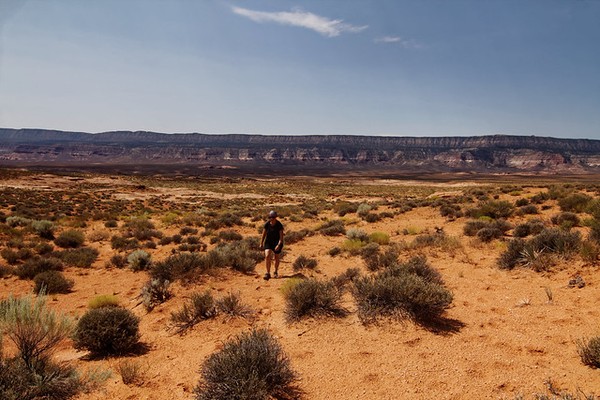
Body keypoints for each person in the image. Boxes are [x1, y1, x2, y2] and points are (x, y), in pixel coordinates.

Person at [260, 210, 284, 280]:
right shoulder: (267, 224)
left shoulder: (279, 225)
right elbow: (263, 234)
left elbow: (281, 238)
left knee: (276, 257)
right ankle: (268, 273)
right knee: (267, 256)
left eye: (273, 217)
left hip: (277, 242)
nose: (271, 219)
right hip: (268, 242)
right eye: (270, 217)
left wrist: (278, 245)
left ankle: (276, 271)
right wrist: (261, 243)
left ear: (275, 217)